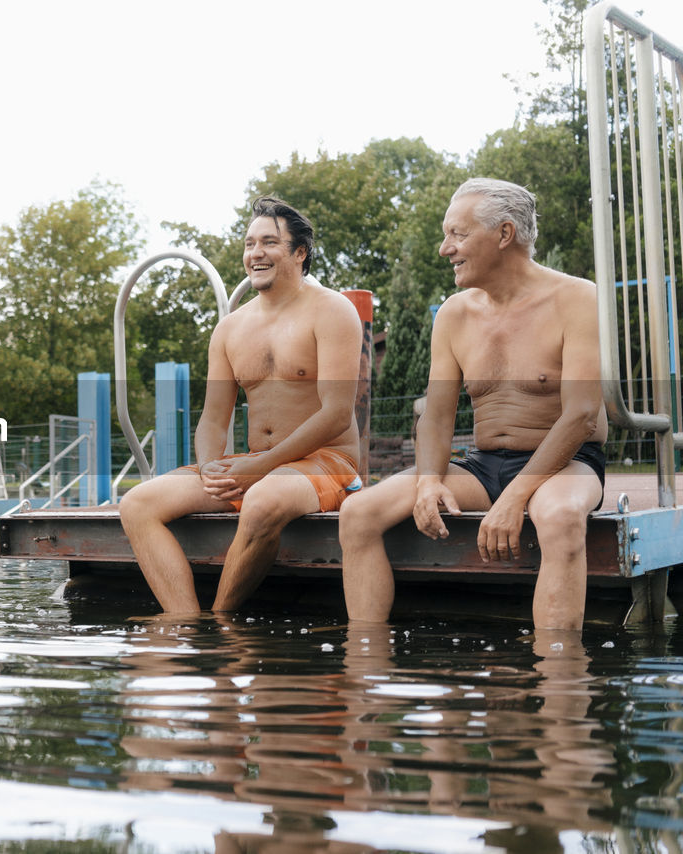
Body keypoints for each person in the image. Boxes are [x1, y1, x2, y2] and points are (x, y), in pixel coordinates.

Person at [340, 178, 607, 632]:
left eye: (458, 234)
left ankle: (559, 688)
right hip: (483, 466)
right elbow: (438, 414)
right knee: (358, 512)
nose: (446, 249)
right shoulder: (454, 313)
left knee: (559, 517)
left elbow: (581, 414)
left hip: (565, 465)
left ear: (504, 235)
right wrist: (427, 484)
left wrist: (517, 497)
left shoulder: (578, 298)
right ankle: (367, 668)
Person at [119, 197, 364, 615]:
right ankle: (185, 623)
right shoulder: (230, 328)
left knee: (263, 500)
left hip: (327, 461)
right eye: (250, 243)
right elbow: (213, 419)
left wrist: (262, 465)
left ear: (299, 252)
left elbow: (336, 412)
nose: (255, 253)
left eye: (269, 242)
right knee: (137, 503)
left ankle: (220, 623)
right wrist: (210, 467)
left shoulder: (332, 310)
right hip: (257, 464)